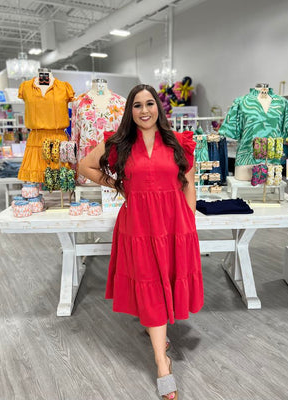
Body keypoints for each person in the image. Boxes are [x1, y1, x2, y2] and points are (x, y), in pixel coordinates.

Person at [79, 84, 204, 399]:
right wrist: (118, 184)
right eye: (137, 105)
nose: (145, 110)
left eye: (150, 104)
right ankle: (162, 363)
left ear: (158, 108)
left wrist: (188, 222)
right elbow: (85, 166)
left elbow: (188, 183)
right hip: (137, 224)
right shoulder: (119, 143)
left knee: (167, 283)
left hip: (174, 223)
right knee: (148, 283)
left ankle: (160, 341)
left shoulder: (177, 142)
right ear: (130, 111)